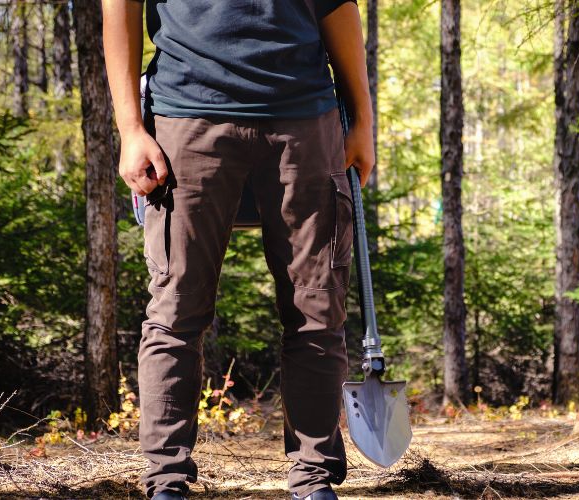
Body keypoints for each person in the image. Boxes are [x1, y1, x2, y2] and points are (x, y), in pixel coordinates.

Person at [101, 1, 375, 499]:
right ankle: (166, 481)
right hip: (187, 115)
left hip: (305, 118)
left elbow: (337, 7)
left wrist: (363, 119)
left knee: (316, 306)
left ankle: (313, 478)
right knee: (176, 306)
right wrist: (129, 129)